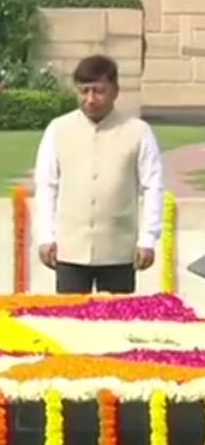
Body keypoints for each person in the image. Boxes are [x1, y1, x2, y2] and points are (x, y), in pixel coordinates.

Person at [34, 54, 163, 294]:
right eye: (84, 91)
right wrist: (45, 235)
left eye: (98, 91)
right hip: (69, 250)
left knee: (117, 325)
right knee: (68, 324)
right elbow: (46, 185)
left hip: (119, 251)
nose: (90, 99)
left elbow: (152, 187)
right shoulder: (58, 129)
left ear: (115, 90)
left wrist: (147, 239)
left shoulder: (138, 132)